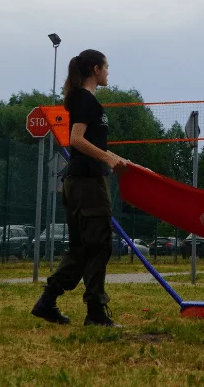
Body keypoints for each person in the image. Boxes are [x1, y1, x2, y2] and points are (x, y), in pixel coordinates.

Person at [32, 49, 129, 327]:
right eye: (107, 68)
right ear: (96, 69)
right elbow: (76, 139)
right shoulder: (86, 100)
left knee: (80, 248)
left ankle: (47, 301)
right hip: (87, 183)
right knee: (99, 245)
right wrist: (109, 158)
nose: (109, 73)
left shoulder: (81, 99)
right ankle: (96, 312)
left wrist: (110, 160)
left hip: (78, 182)